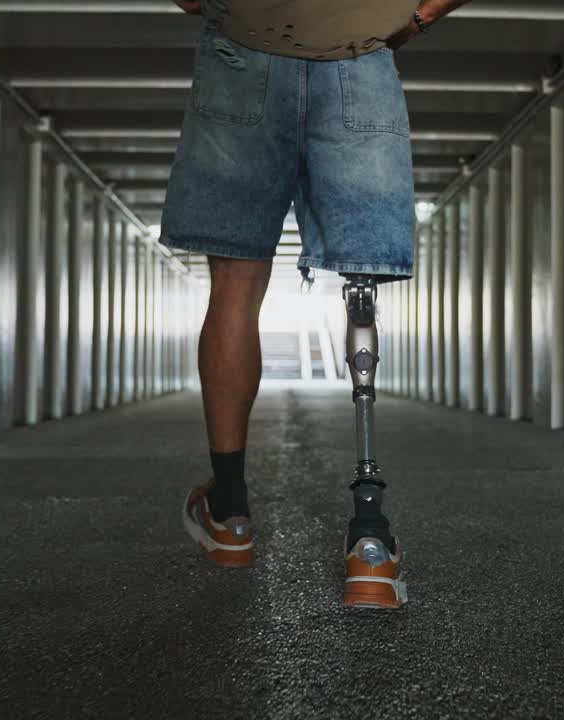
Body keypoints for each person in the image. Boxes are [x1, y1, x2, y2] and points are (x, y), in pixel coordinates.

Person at [165, 0, 472, 609]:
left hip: (244, 47)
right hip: (357, 49)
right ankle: (369, 543)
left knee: (234, 284)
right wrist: (417, 16)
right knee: (361, 284)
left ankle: (231, 515)